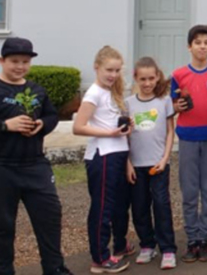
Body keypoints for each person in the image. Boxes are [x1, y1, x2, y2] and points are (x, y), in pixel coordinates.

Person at [0, 37, 73, 275]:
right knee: (2, 224)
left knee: (49, 219)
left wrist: (42, 124)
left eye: (25, 61)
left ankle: (55, 269)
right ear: (1, 61)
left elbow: (52, 116)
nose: (20, 66)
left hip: (34, 165)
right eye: (14, 61)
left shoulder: (36, 90)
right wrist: (5, 125)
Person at [73, 45, 135, 274]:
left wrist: (126, 129)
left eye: (117, 70)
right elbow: (78, 127)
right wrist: (109, 133)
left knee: (120, 205)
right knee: (103, 207)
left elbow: (112, 123)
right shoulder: (93, 93)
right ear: (96, 67)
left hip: (118, 154)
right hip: (102, 156)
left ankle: (120, 245)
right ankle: (100, 258)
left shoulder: (112, 92)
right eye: (109, 69)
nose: (113, 75)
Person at [170, 24, 207, 263]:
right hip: (187, 137)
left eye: (206, 42)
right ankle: (192, 238)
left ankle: (205, 238)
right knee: (190, 190)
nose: (202, 46)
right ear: (189, 46)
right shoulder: (178, 75)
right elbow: (170, 105)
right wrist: (176, 107)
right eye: (197, 42)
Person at [126, 57, 177, 269]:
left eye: (151, 78)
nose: (147, 83)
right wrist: (128, 163)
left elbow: (170, 130)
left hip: (158, 164)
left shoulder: (164, 101)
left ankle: (167, 248)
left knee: (161, 205)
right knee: (139, 206)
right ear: (135, 78)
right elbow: (124, 136)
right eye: (143, 79)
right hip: (136, 165)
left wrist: (165, 158)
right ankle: (147, 244)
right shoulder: (128, 104)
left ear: (157, 77)